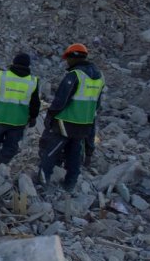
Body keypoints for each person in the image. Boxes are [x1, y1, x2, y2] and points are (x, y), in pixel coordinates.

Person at [38, 43, 105, 190]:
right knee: (75, 154)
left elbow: (61, 100)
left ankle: (43, 181)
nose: (67, 62)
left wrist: (50, 117)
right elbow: (97, 104)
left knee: (51, 151)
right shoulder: (99, 78)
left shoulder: (75, 75)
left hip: (65, 123)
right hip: (84, 125)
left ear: (74, 57)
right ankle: (70, 184)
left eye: (68, 58)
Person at [0, 53, 41, 167]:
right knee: (11, 146)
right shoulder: (33, 81)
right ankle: (2, 167)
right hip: (18, 121)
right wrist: (33, 117)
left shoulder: (2, 76)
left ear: (14, 63)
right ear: (28, 66)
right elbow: (35, 102)